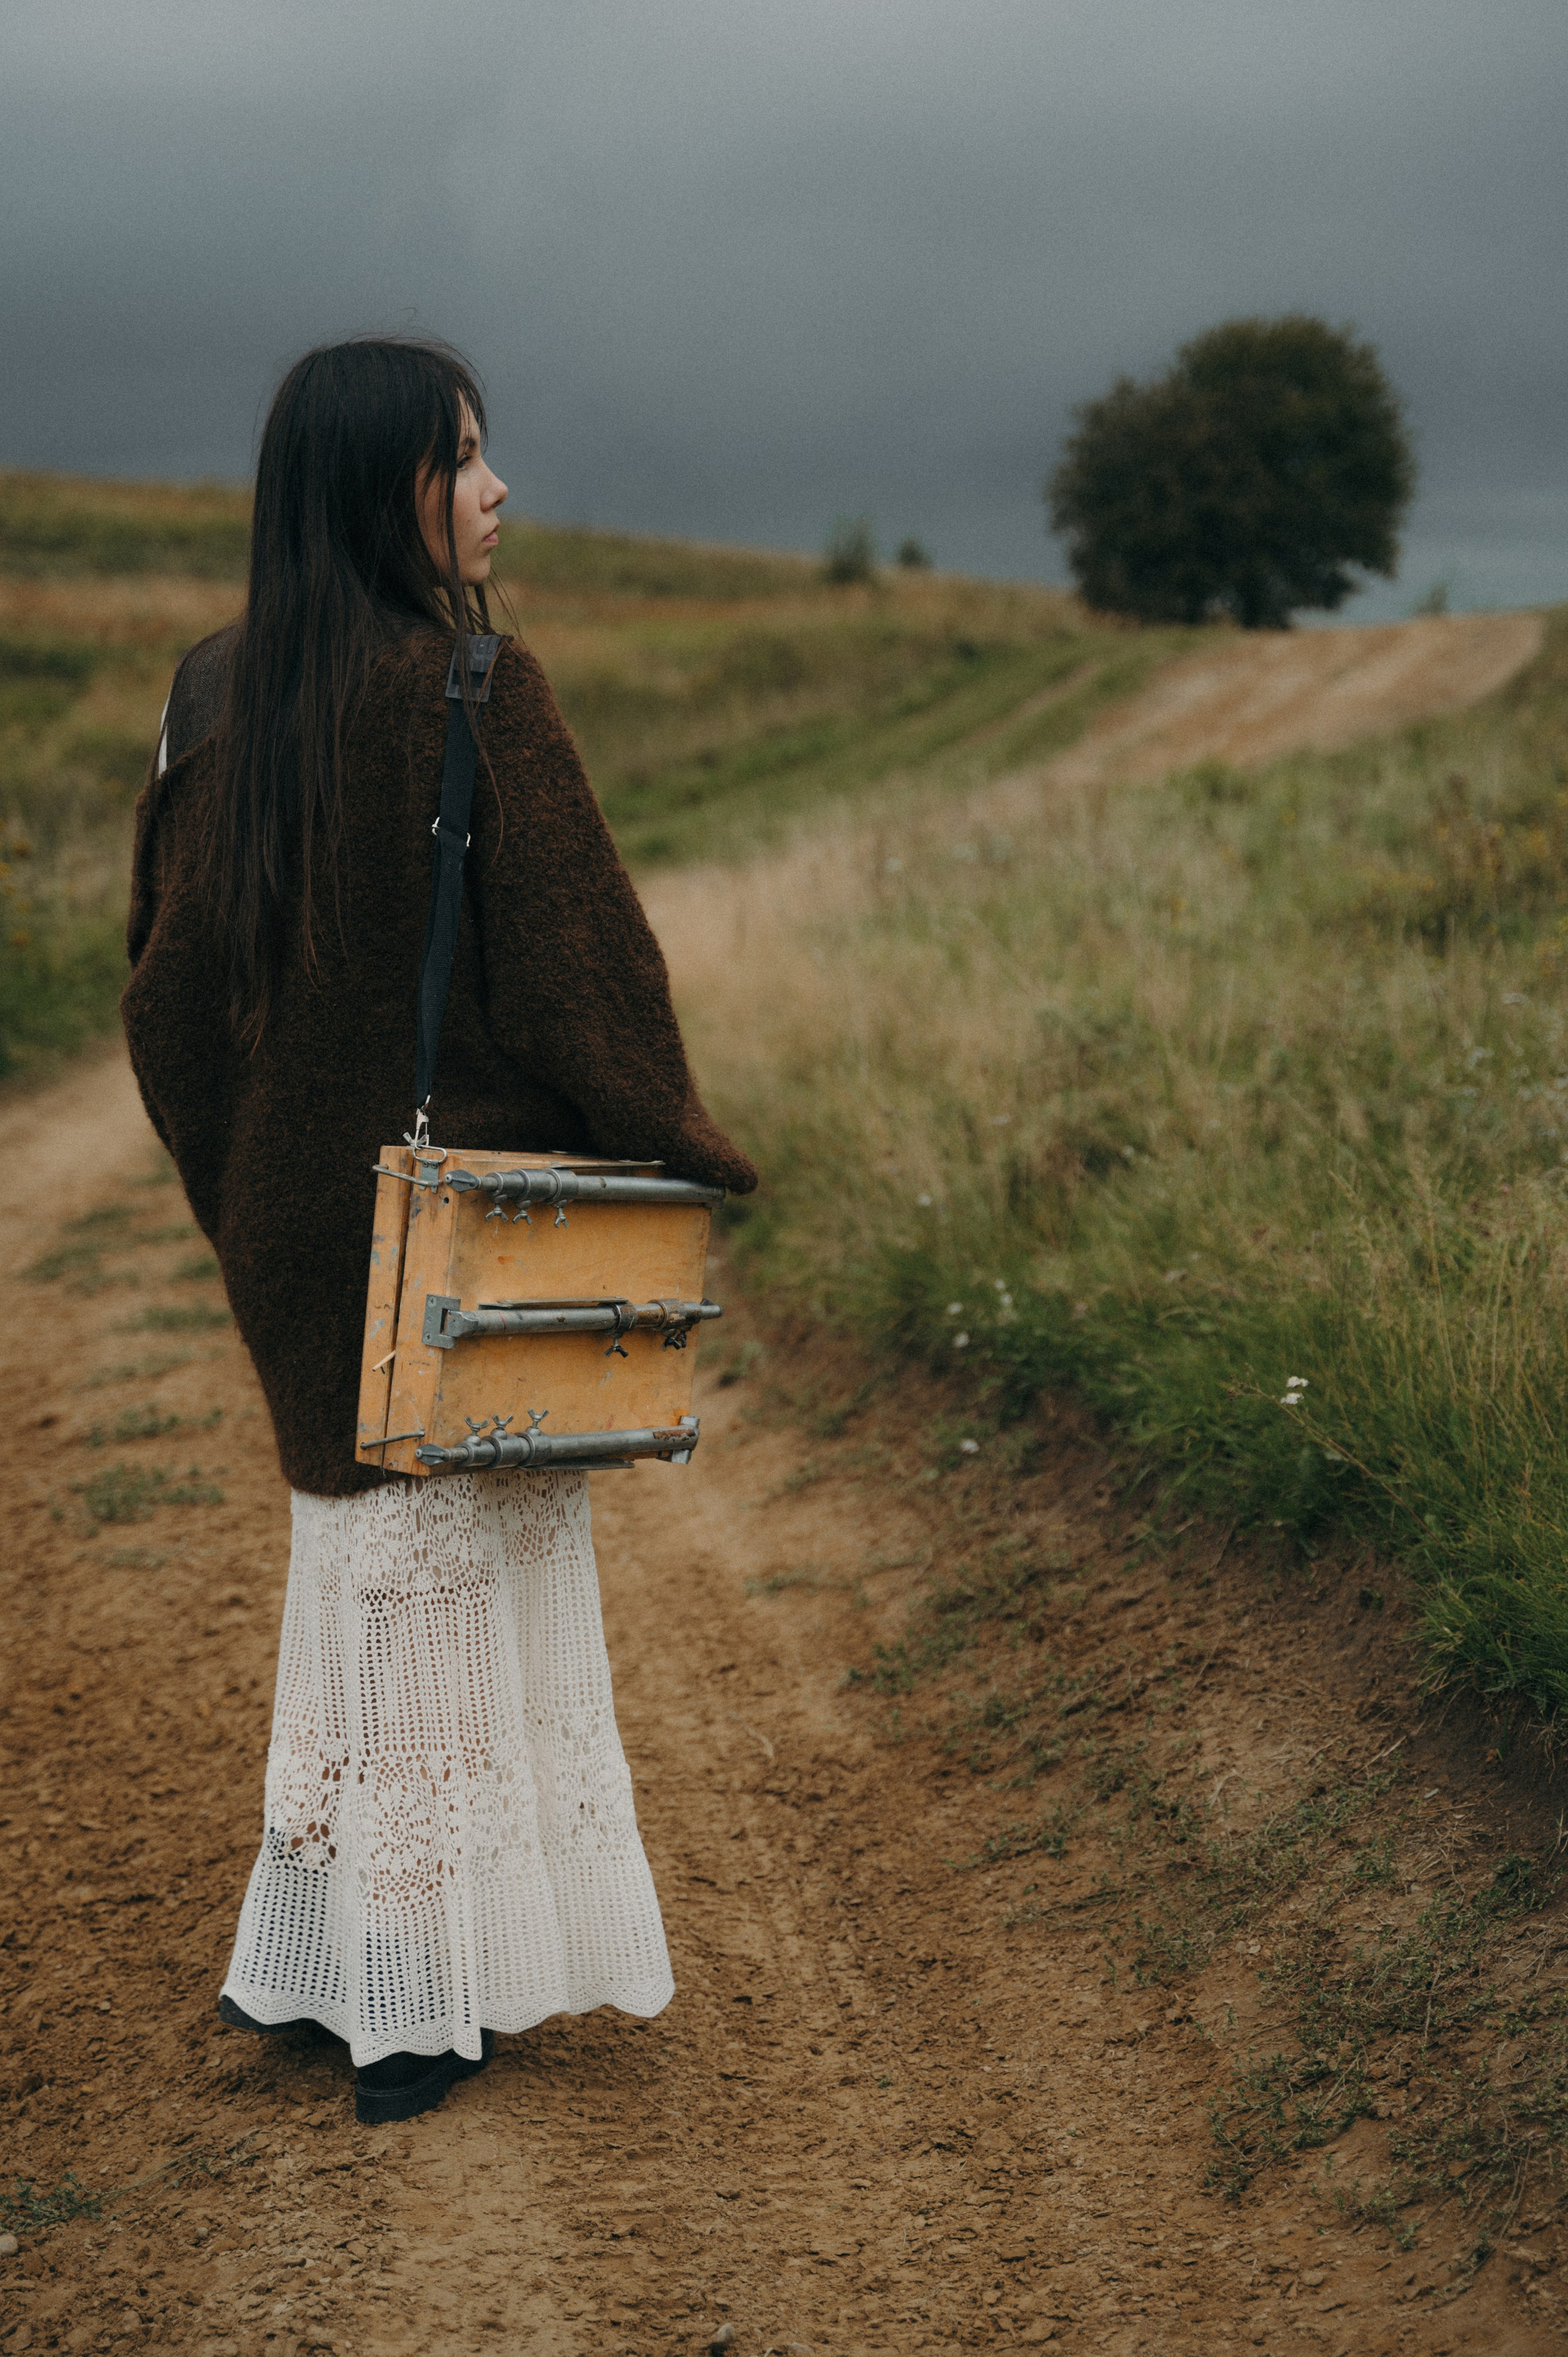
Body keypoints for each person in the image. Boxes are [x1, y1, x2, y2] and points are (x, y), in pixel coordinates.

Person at [122, 336, 756, 2125]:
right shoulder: (479, 689)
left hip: (297, 1235)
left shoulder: (207, 690)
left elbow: (164, 1008)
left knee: (359, 1593)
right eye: (464, 457)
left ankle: (317, 1962)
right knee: (458, 1610)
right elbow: (586, 985)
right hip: (462, 1244)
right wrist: (679, 1153)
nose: (496, 489)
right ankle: (419, 2012)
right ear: (382, 485)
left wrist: (243, 1197)